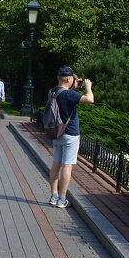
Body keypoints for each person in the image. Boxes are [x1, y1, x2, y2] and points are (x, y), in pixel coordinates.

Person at [46, 65, 94, 208]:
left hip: (56, 132)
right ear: (68, 78)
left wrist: (73, 86)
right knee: (67, 165)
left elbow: (66, 96)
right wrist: (88, 87)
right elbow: (90, 99)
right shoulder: (69, 94)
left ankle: (53, 196)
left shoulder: (52, 91)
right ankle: (62, 199)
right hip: (70, 133)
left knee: (56, 164)